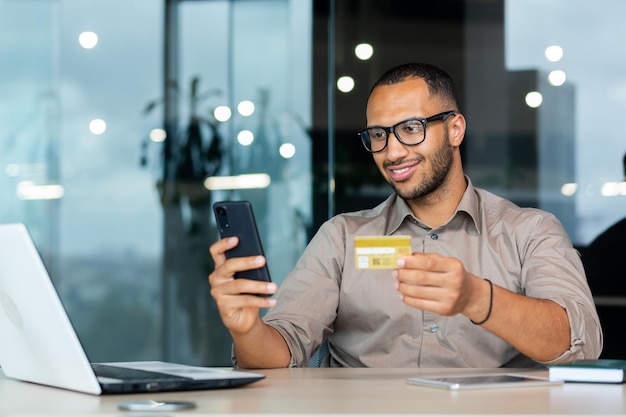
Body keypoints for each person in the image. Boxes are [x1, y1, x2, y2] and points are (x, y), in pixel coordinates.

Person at [209, 62, 602, 368]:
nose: (393, 152)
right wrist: (247, 330)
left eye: (411, 128)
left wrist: (476, 297)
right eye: (378, 135)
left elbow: (580, 344)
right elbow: (280, 354)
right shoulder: (342, 238)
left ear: (455, 129)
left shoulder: (529, 231)